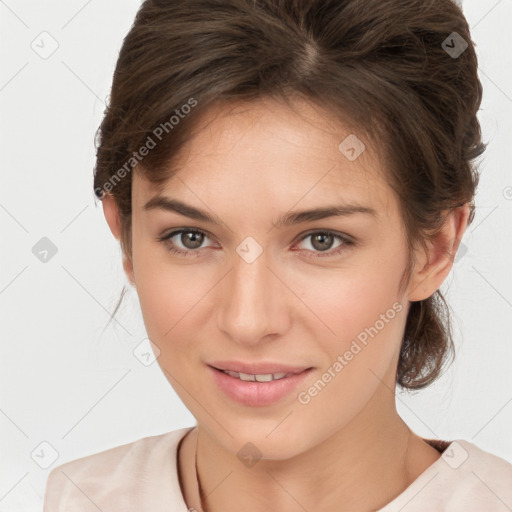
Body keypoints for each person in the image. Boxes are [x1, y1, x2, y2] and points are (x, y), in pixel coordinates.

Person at [43, 0, 512, 510]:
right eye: (191, 238)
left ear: (434, 249)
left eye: (321, 240)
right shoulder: (80, 498)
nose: (247, 321)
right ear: (126, 236)